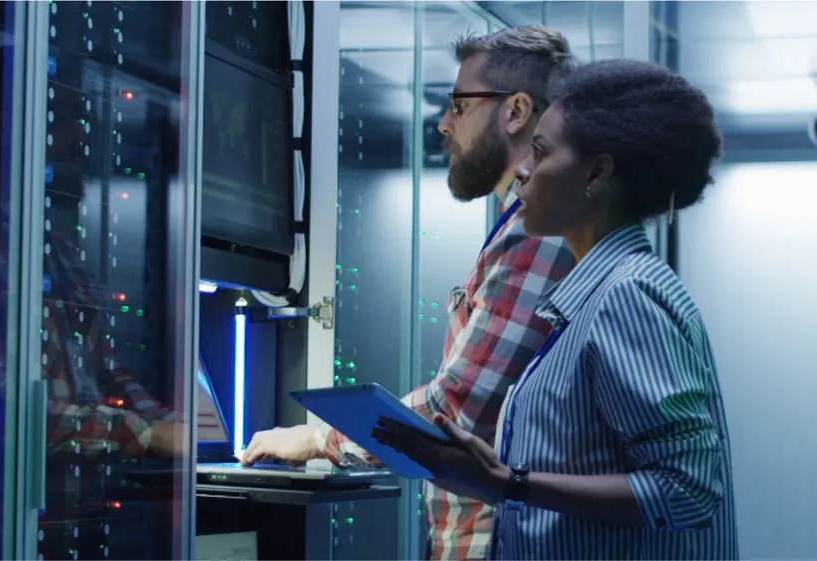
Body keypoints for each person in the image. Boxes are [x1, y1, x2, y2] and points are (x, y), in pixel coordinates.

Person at [372, 58, 739, 560]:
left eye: (540, 154)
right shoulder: (591, 297)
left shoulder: (626, 296)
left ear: (596, 173)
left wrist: (511, 483)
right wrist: (491, 481)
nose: (522, 168)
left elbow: (688, 490)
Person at [240, 26, 576, 560]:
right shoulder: (522, 225)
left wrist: (316, 438)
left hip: (499, 541)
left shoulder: (536, 232)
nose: (444, 124)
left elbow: (456, 408)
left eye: (460, 105)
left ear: (515, 111)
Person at [0, 46, 185, 559]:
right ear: (2, 126)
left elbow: (103, 372)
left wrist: (179, 427)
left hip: (72, 535)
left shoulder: (56, 247)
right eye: (62, 118)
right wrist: (146, 432)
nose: (80, 137)